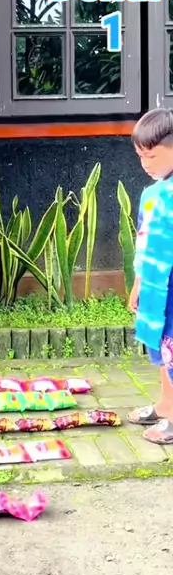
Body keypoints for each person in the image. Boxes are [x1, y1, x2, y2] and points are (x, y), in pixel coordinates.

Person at [128, 107, 173, 444]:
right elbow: (142, 245)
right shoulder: (151, 194)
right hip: (156, 288)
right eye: (140, 156)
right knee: (160, 348)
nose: (145, 163)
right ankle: (166, 405)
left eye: (152, 156)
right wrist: (138, 284)